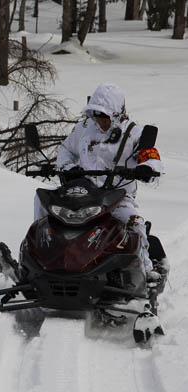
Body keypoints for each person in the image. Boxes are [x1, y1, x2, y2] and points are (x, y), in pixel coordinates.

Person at [34, 82, 164, 276]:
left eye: (104, 115)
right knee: (43, 202)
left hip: (117, 197)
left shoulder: (134, 134)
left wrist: (146, 168)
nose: (100, 119)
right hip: (83, 193)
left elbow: (151, 156)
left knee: (134, 223)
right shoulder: (85, 128)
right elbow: (66, 150)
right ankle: (40, 256)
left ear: (118, 113)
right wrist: (68, 168)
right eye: (96, 114)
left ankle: (146, 274)